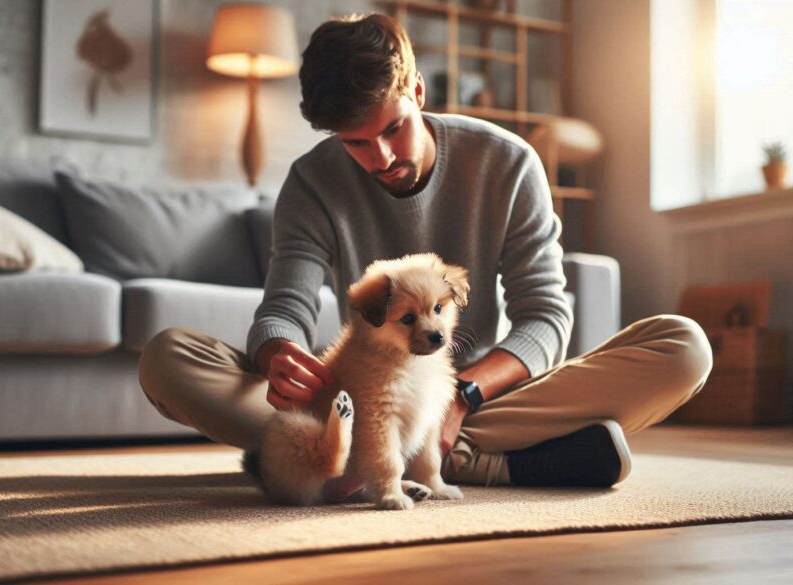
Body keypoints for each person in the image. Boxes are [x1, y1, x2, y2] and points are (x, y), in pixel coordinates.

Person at [139, 14, 712, 498]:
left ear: (417, 92)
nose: (382, 156)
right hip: (363, 399)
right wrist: (277, 355)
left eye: (393, 128)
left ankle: (403, 458)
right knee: (167, 358)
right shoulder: (311, 182)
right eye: (356, 143)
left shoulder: (507, 163)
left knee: (684, 347)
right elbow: (283, 307)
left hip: (479, 392)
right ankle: (462, 459)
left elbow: (547, 318)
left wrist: (461, 397)